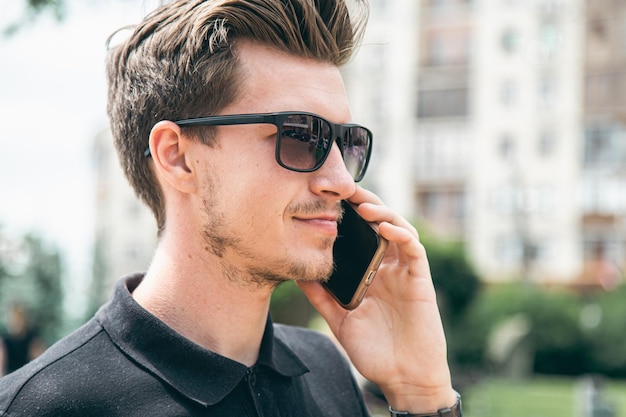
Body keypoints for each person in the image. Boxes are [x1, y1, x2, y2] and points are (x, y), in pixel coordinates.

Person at [0, 0, 461, 415]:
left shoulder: (328, 374)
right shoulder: (43, 407)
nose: (341, 181)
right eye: (301, 135)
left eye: (347, 142)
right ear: (178, 157)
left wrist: (420, 393)